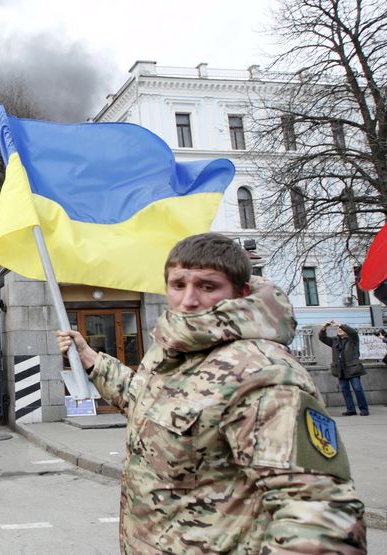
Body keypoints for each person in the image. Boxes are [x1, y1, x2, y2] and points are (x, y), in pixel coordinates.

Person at [57, 233, 366, 554]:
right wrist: (92, 360)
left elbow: (320, 517)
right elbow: (146, 402)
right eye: (178, 285)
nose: (189, 300)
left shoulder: (264, 372)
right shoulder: (174, 351)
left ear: (240, 292)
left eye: (207, 286)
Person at [319, 320, 370, 416]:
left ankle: (364, 409)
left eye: (341, 329)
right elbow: (322, 338)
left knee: (357, 389)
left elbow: (353, 332)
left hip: (352, 369)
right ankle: (351, 410)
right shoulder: (335, 341)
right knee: (345, 390)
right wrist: (323, 328)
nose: (339, 330)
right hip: (340, 370)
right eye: (339, 329)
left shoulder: (353, 340)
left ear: (346, 331)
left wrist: (340, 325)